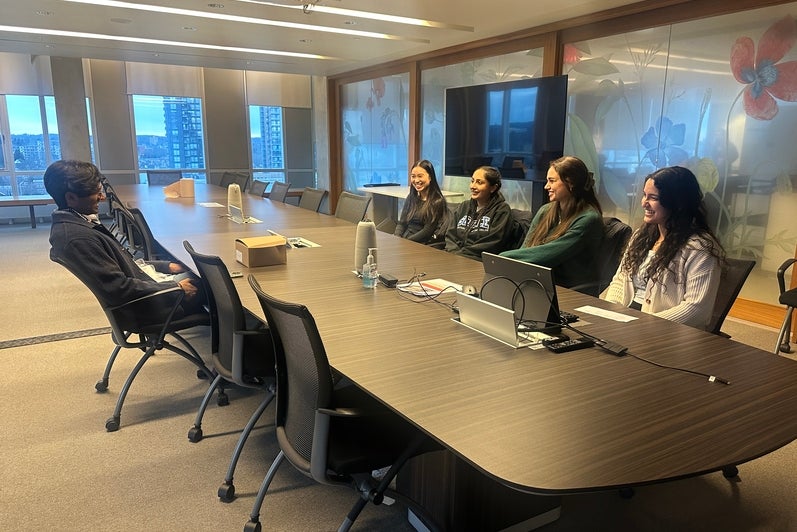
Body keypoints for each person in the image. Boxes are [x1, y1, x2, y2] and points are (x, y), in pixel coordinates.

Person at [44, 160, 203, 324]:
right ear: (71, 197)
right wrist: (176, 289)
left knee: (199, 272)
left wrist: (166, 266)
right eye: (97, 193)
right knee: (217, 286)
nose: (103, 197)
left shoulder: (78, 224)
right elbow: (118, 288)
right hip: (151, 305)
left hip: (148, 285)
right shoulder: (77, 239)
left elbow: (123, 264)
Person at [602, 166, 725, 329]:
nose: (644, 203)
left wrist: (643, 325)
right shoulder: (642, 235)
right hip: (627, 323)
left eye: (653, 197)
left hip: (662, 332)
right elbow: (620, 279)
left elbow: (697, 310)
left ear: (676, 203)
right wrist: (609, 314)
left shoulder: (700, 248)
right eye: (644, 195)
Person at [500, 156, 604, 290]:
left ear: (570, 183)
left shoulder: (589, 219)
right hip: (538, 282)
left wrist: (502, 259)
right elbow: (527, 248)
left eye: (552, 181)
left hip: (568, 290)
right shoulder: (546, 210)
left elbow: (550, 254)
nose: (546, 186)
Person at [444, 166, 513, 261]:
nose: (473, 186)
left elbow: (493, 243)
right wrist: (454, 253)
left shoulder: (502, 210)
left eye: (479, 182)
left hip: (479, 261)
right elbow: (450, 234)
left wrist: (461, 255)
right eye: (472, 181)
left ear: (493, 188)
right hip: (455, 256)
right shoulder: (464, 206)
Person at [394, 160, 449, 245]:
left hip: (421, 244)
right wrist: (396, 238)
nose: (416, 180)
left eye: (420, 176)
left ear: (430, 177)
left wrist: (405, 242)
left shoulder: (437, 201)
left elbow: (426, 232)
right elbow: (402, 223)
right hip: (406, 241)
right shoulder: (411, 197)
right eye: (413, 176)